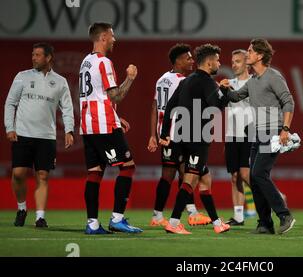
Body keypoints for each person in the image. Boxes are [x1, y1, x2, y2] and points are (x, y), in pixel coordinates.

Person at [220, 39, 296, 235]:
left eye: (251, 51)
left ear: (260, 56)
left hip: (273, 131)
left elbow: (289, 102)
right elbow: (236, 97)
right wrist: (224, 89)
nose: (248, 54)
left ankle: (284, 214)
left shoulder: (273, 76)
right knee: (254, 179)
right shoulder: (253, 81)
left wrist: (285, 129)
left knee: (258, 173)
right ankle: (265, 223)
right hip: (258, 133)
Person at [159, 44, 230, 234]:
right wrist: (225, 91)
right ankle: (173, 223)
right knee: (190, 180)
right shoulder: (207, 82)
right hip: (197, 138)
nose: (219, 63)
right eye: (216, 60)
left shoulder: (186, 81)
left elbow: (169, 108)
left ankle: (217, 223)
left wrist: (165, 134)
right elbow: (217, 106)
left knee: (205, 179)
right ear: (208, 62)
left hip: (180, 137)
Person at [79, 22, 142, 234]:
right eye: (112, 36)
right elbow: (115, 95)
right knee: (128, 166)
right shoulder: (104, 62)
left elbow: (97, 96)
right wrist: (130, 79)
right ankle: (117, 219)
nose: (115, 39)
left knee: (95, 172)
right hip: (103, 125)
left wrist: (116, 116)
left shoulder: (85, 62)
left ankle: (92, 224)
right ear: (104, 37)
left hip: (88, 125)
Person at [4, 42, 74, 228]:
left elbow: (67, 107)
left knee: (42, 176)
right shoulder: (22, 77)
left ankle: (40, 217)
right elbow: (10, 103)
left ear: (48, 57)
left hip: (47, 136)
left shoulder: (60, 81)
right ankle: (21, 208)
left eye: (37, 55)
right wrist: (9, 128)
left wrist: (69, 130)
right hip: (23, 134)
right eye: (33, 54)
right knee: (18, 174)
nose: (33, 57)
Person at [147, 43, 211, 227]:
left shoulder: (162, 79)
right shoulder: (183, 81)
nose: (192, 61)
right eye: (188, 58)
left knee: (174, 173)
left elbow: (154, 107)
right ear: (178, 60)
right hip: (178, 133)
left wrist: (153, 134)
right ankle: (189, 213)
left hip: (166, 134)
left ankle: (160, 215)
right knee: (188, 172)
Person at [224, 49, 256, 226]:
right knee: (235, 175)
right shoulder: (229, 83)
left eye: (237, 61)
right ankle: (238, 215)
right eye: (233, 61)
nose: (234, 64)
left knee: (246, 174)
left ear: (246, 63)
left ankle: (273, 195)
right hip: (232, 133)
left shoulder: (255, 82)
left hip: (249, 132)